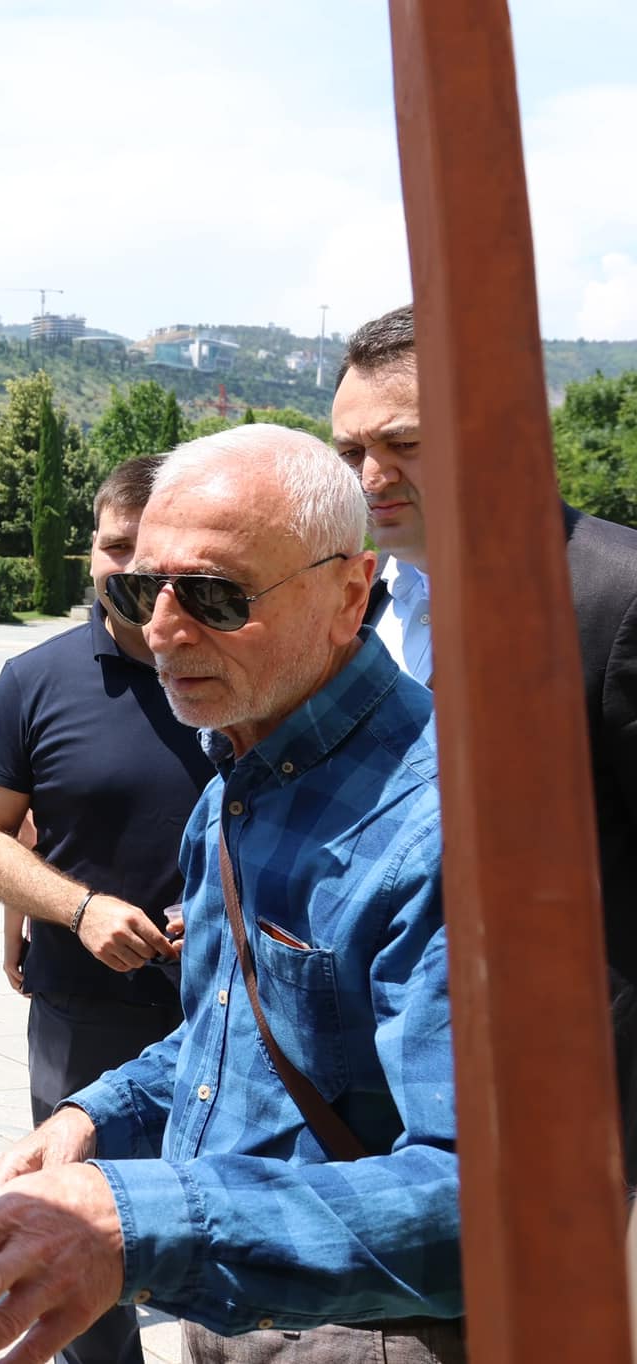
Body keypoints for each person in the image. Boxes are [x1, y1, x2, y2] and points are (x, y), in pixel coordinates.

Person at [0, 426, 464, 1363]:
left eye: (212, 594)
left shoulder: (446, 826)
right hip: (238, 1320)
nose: (161, 629)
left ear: (350, 592)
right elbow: (226, 1041)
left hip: (374, 1335)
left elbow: (481, 1199)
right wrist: (94, 1115)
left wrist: (138, 1218)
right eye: (135, 588)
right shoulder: (236, 784)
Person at [333, 303, 637, 1177]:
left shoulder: (616, 600)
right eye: (353, 452)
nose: (371, 475)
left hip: (581, 1111)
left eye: (405, 444)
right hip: (391, 1101)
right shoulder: (364, 605)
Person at [0, 455, 213, 1364]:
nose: (135, 570)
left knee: (221, 1242)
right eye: (117, 547)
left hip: (237, 1007)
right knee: (79, 1245)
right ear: (90, 550)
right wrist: (79, 908)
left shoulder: (241, 660)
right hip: (86, 1008)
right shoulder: (34, 679)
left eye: (157, 551)